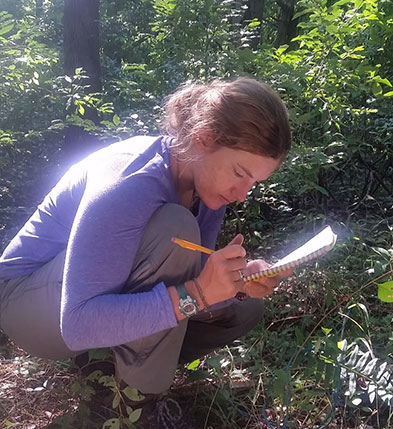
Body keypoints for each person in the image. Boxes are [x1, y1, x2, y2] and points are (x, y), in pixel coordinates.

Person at [0, 77, 291, 428]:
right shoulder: (130, 182)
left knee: (243, 306)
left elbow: (190, 282)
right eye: (240, 173)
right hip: (27, 303)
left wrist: (236, 283)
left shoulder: (208, 188)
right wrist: (198, 293)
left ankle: (113, 374)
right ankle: (133, 408)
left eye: (253, 182)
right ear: (203, 140)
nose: (243, 193)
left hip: (83, 301)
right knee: (174, 229)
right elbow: (77, 324)